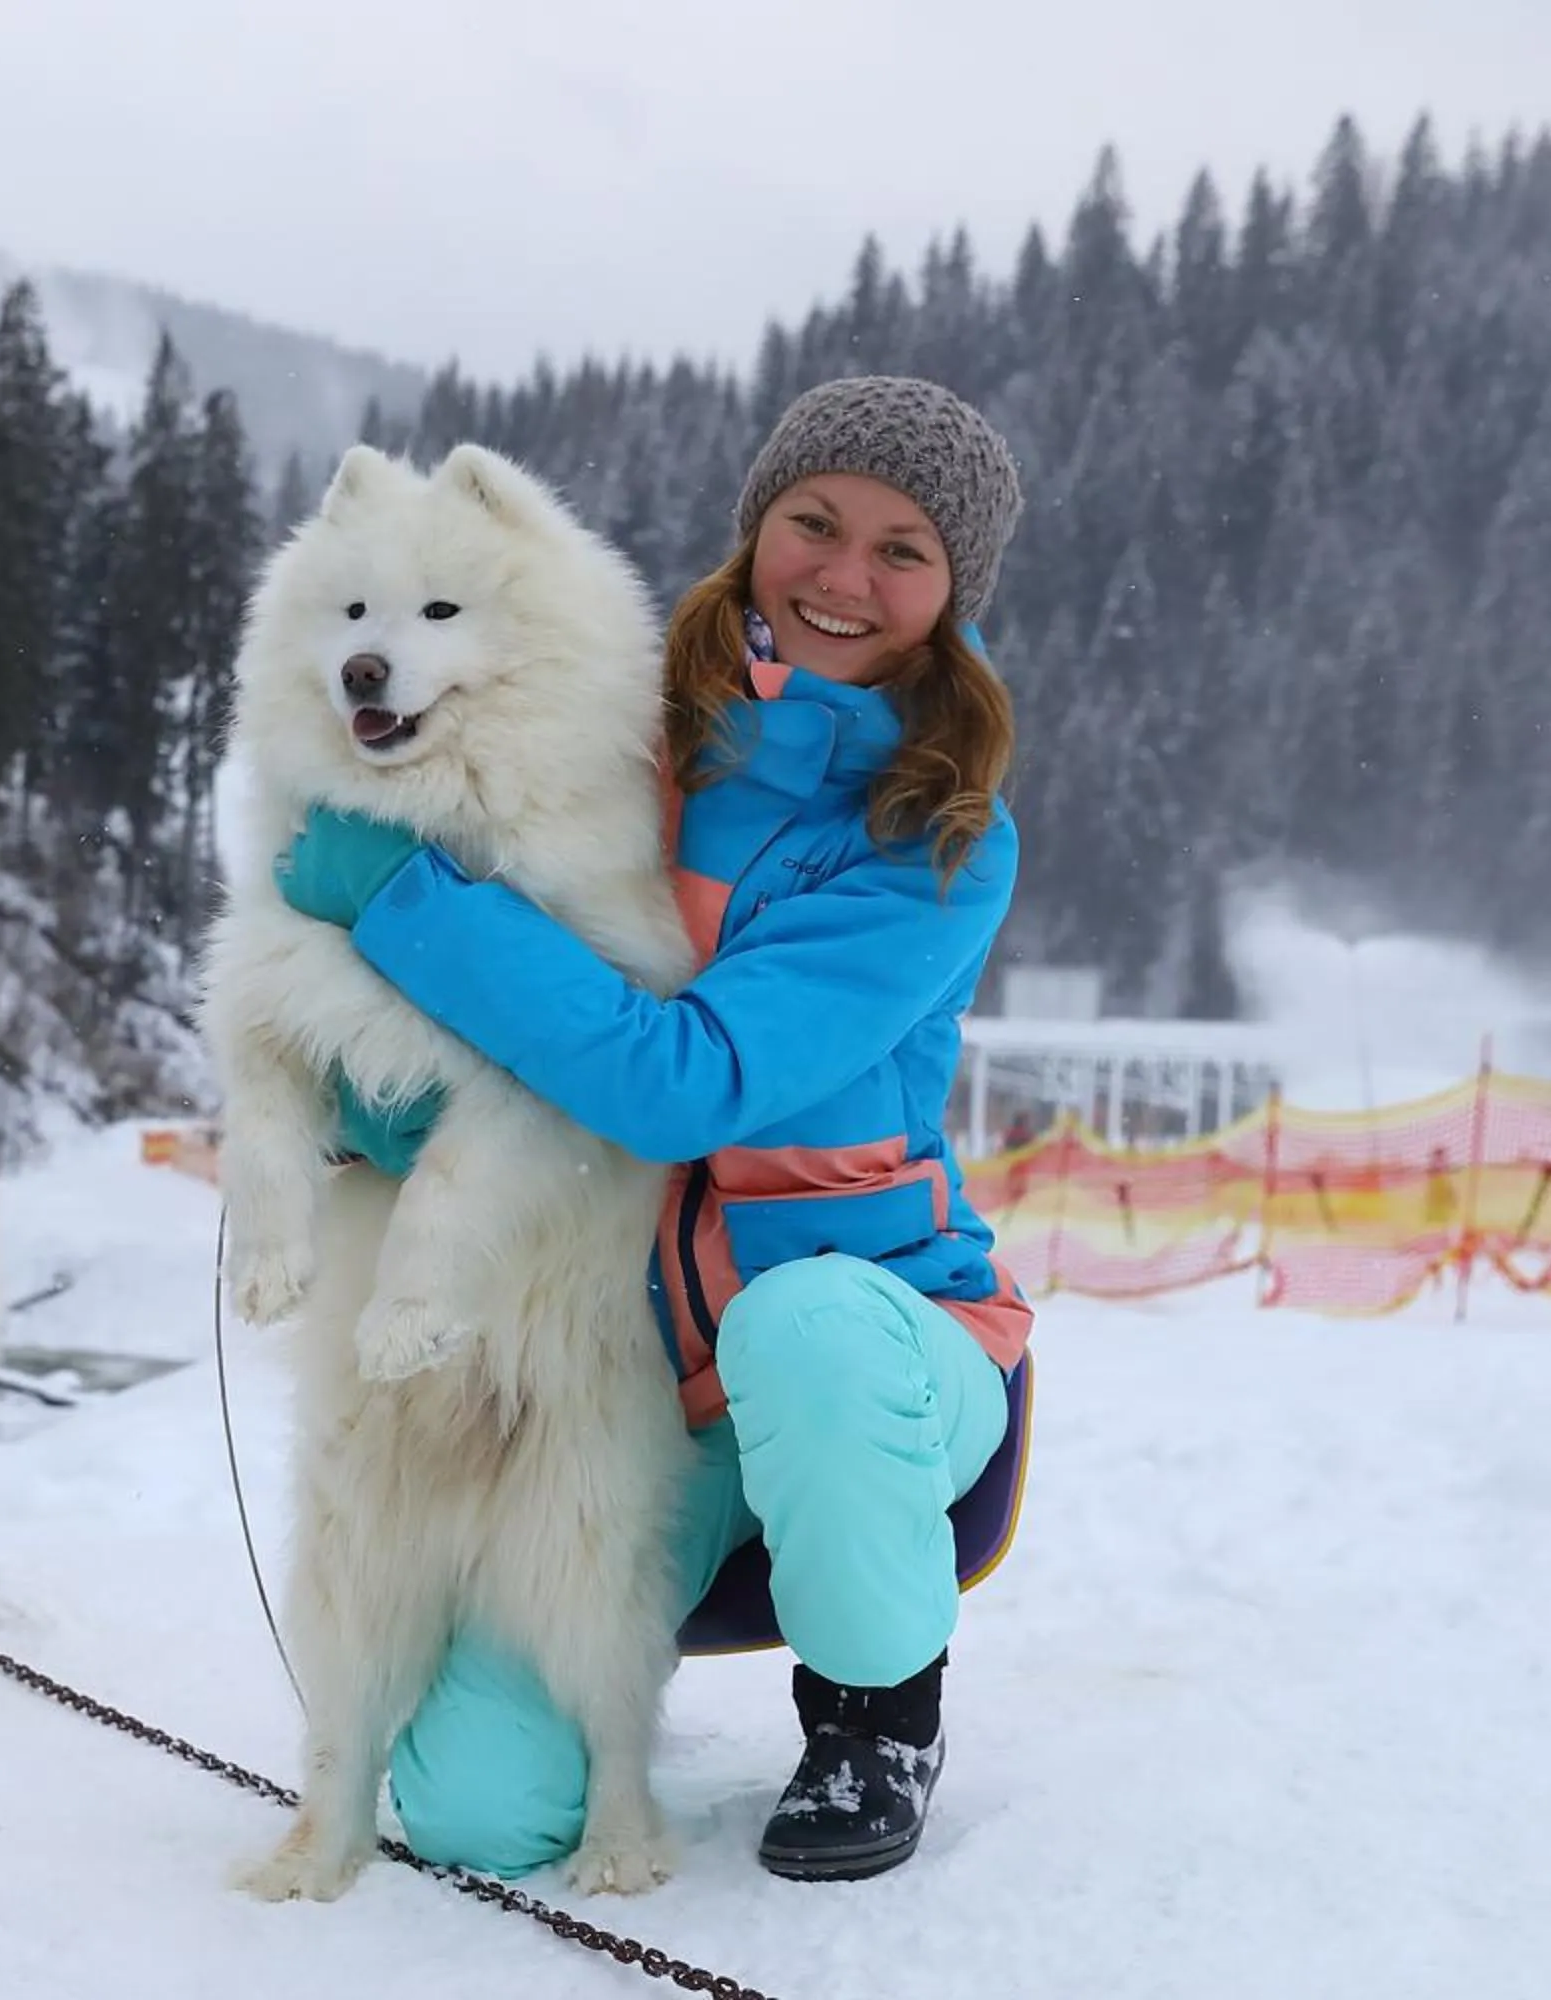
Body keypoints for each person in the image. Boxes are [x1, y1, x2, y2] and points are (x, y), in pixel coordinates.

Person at [274, 374, 1034, 1883]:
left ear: (952, 595)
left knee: (805, 1329)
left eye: (903, 550)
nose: (844, 574)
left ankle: (879, 1709)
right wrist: (357, 1090)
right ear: (758, 531)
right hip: (631, 1394)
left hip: (879, 1351)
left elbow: (678, 1082)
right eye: (814, 523)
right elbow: (488, 1043)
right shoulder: (623, 745)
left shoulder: (935, 840)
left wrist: (407, 899)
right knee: (486, 1812)